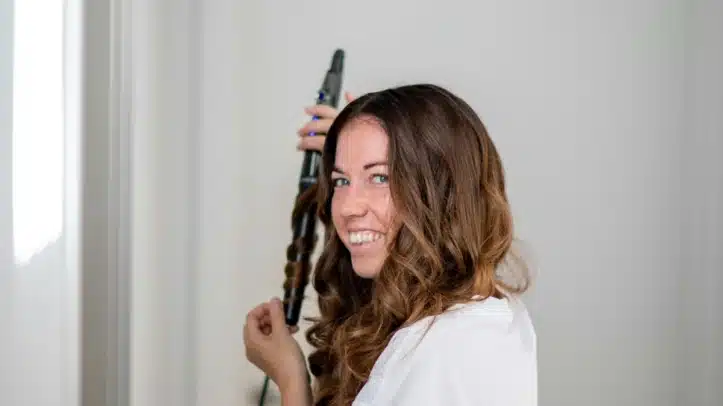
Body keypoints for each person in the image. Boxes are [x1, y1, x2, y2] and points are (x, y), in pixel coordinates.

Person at [243, 84, 537, 406]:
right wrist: (361, 140)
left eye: (380, 177)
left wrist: (290, 378)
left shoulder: (451, 350)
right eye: (341, 181)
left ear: (442, 193)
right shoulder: (486, 319)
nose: (347, 207)